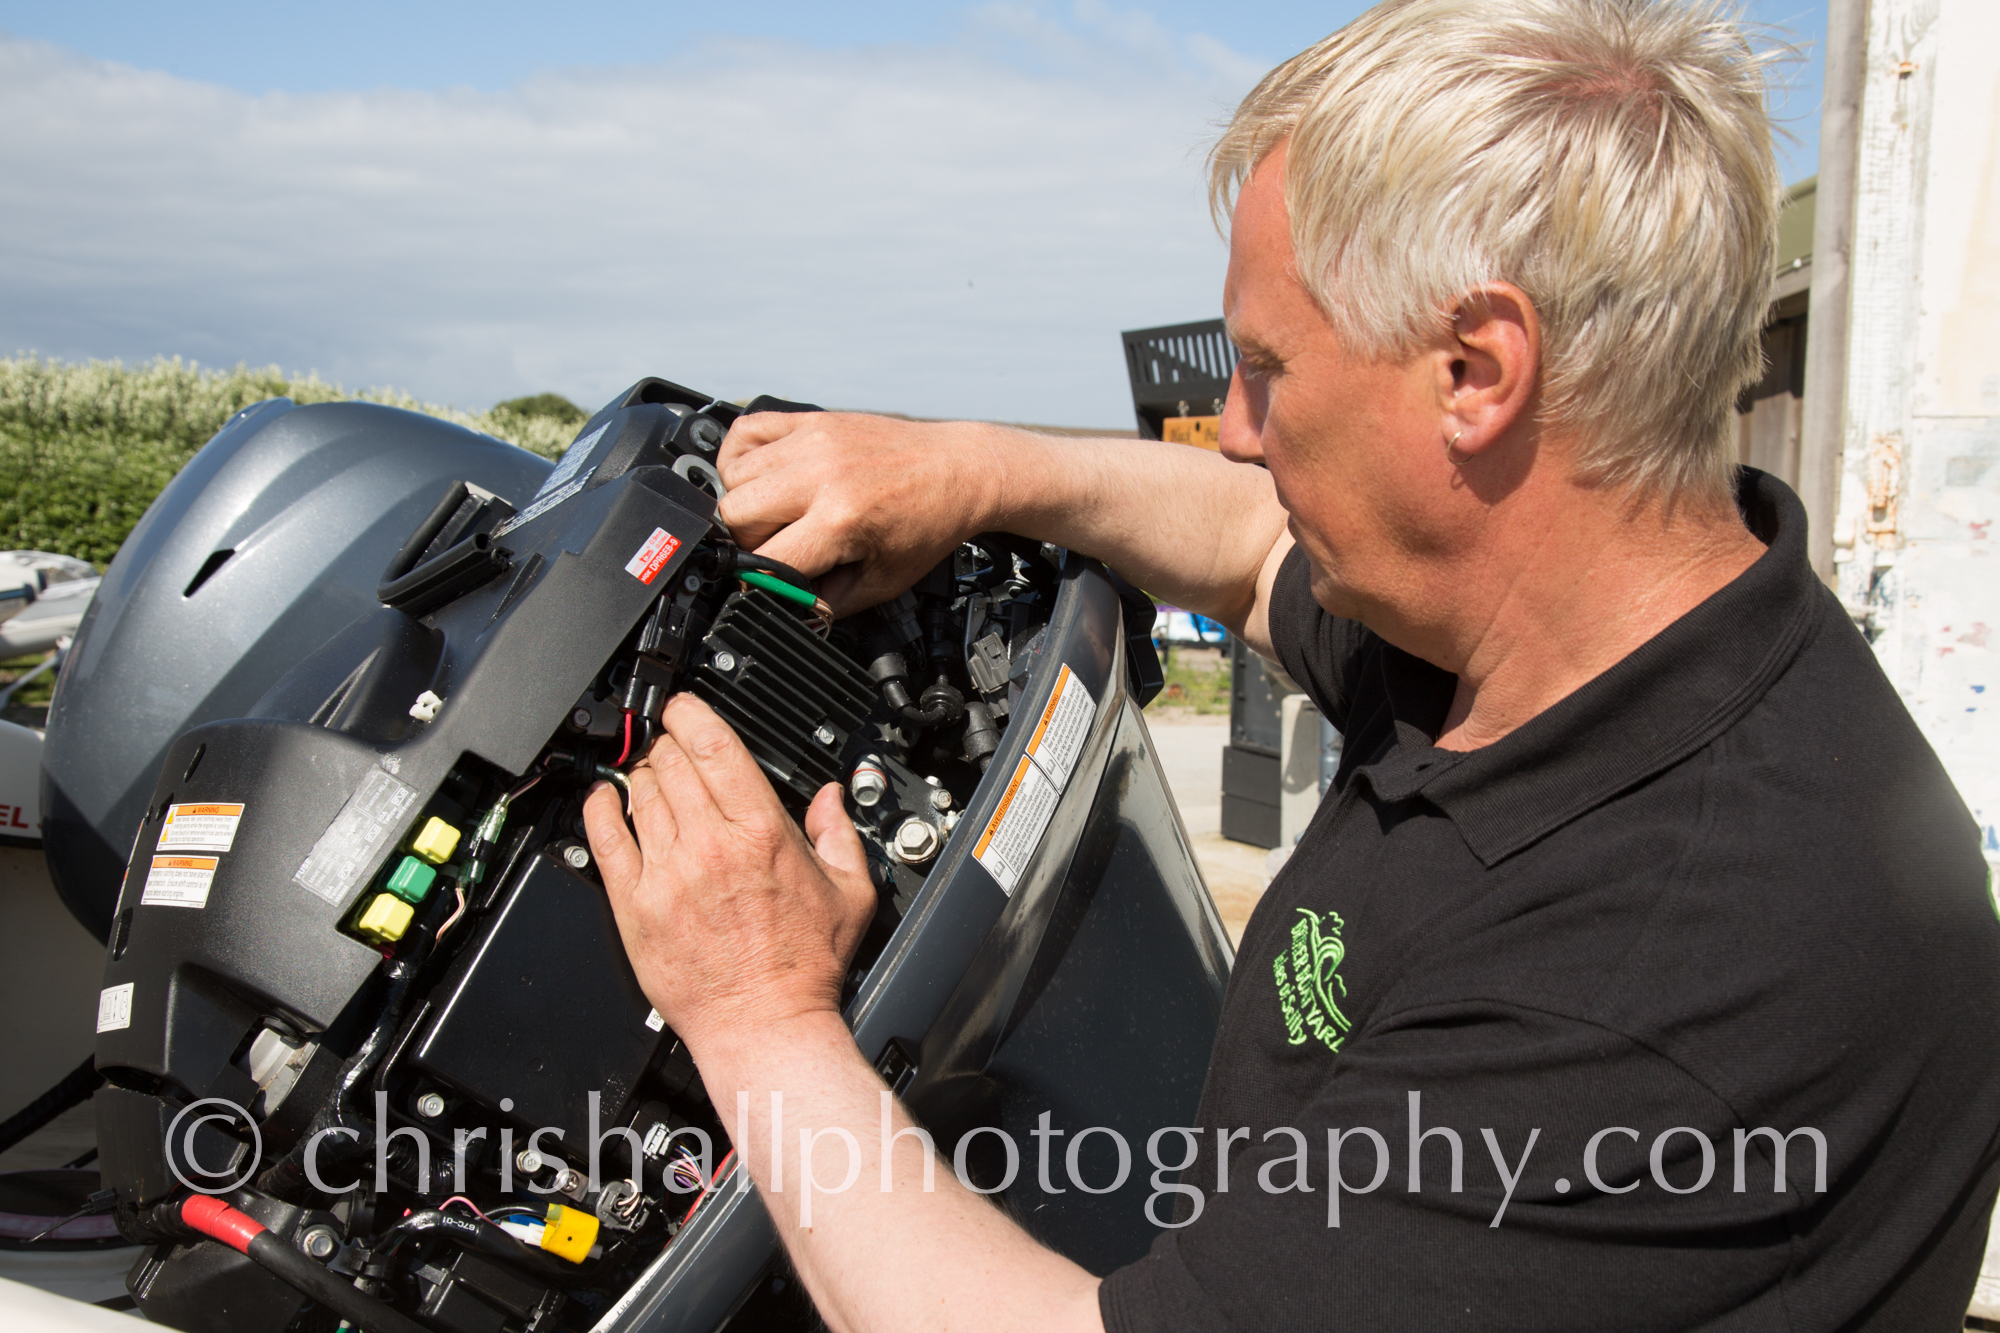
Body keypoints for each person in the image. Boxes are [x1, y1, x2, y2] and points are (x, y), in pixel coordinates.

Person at [581, 0, 2000, 1326]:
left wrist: (759, 1015)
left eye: (1267, 365)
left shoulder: (1662, 967)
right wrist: (962, 465)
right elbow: (1256, 551)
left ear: (1475, 371)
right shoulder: (1569, 614)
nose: (1241, 431)